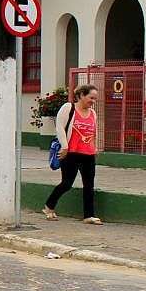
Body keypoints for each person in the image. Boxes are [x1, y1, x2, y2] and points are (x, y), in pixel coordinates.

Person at [43, 84, 102, 225]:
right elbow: (60, 128)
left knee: (89, 185)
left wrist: (95, 147)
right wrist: (64, 146)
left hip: (88, 153)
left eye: (95, 99)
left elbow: (94, 131)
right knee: (67, 183)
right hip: (70, 153)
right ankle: (49, 206)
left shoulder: (93, 113)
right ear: (81, 95)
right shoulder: (68, 108)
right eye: (91, 97)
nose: (93, 101)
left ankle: (89, 215)